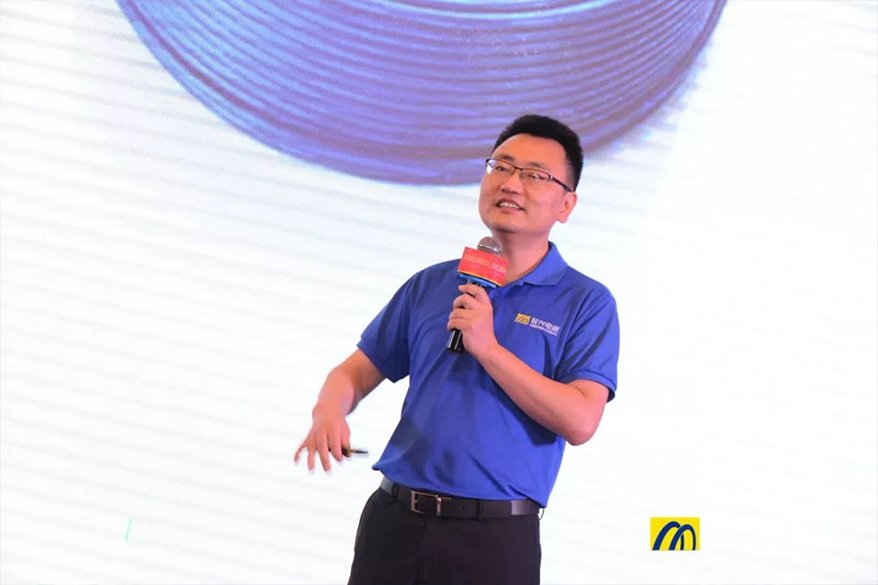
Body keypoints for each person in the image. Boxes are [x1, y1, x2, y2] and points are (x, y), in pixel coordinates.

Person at [294, 114, 620, 585]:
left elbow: (581, 420)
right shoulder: (433, 283)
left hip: (494, 538)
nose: (511, 183)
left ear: (566, 204)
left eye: (534, 175)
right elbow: (354, 373)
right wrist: (328, 411)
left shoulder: (585, 301)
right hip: (394, 522)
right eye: (500, 167)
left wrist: (488, 349)